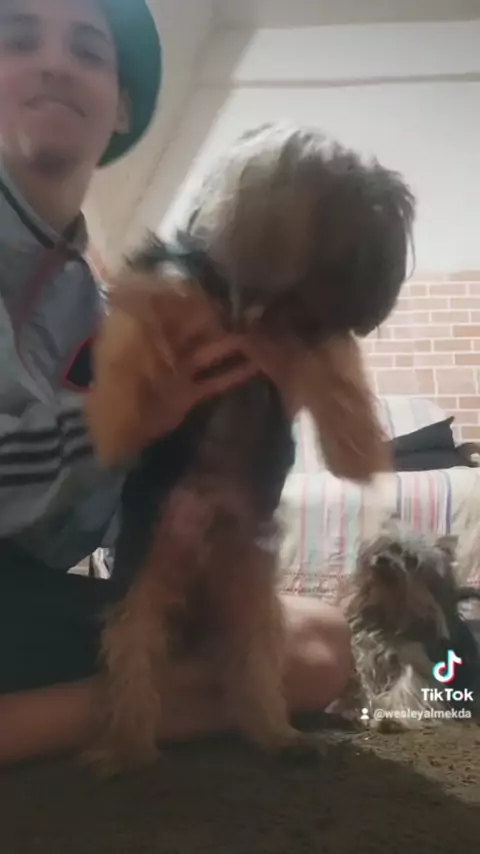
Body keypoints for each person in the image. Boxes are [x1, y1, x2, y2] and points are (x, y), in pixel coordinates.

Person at [0, 0, 352, 766]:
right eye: (19, 38)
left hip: (27, 587)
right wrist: (123, 422)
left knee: (323, 640)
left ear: (122, 106)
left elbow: (64, 530)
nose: (54, 62)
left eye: (87, 50)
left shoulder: (91, 297)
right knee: (298, 657)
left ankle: (68, 714)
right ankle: (74, 720)